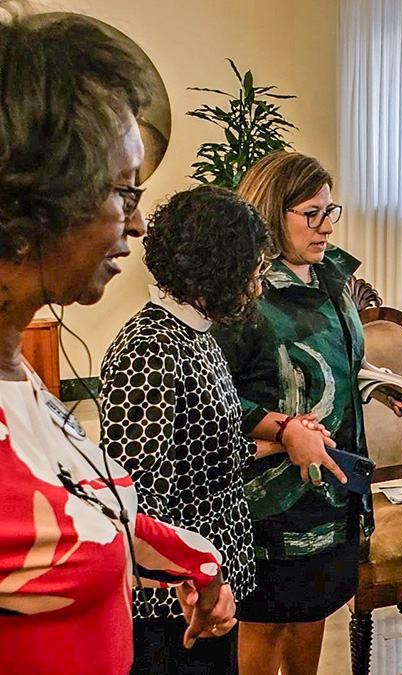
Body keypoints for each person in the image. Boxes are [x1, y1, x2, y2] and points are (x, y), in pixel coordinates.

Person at [0, 7, 234, 674]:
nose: (137, 224)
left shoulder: (22, 377)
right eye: (124, 192)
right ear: (35, 200)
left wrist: (200, 563)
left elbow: (96, 505)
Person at [214, 151, 402, 675]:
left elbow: (341, 365)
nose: (326, 228)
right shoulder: (244, 293)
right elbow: (215, 394)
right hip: (271, 493)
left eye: (330, 212)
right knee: (269, 620)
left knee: (312, 609)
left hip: (333, 484)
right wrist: (284, 430)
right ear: (271, 213)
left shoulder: (328, 277)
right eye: (310, 214)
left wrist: (385, 387)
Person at [100, 185, 305, 674]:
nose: (257, 287)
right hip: (176, 609)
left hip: (209, 588)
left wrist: (282, 436)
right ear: (218, 267)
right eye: (251, 272)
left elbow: (201, 452)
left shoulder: (194, 332)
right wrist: (192, 583)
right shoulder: (148, 350)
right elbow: (140, 496)